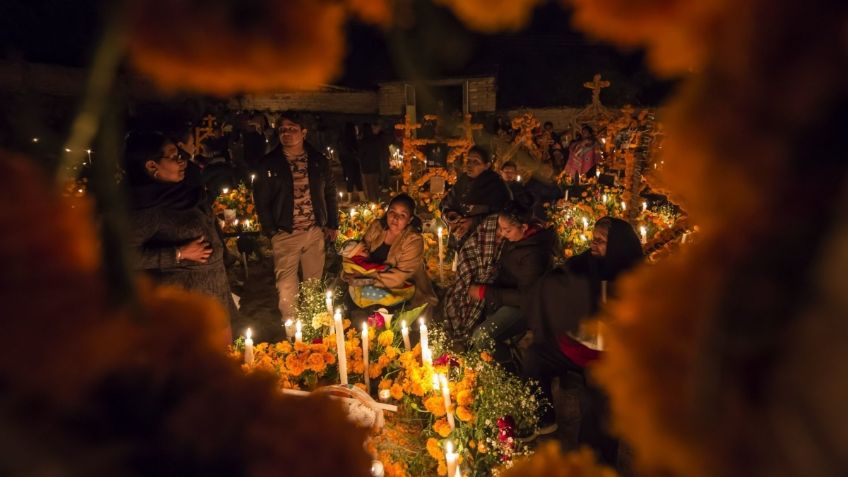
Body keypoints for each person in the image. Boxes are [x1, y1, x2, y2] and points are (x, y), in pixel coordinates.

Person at [520, 217, 644, 457]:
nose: (593, 244)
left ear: (618, 245)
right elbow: (555, 282)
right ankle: (544, 420)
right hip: (572, 346)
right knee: (535, 356)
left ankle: (593, 462)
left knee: (599, 410)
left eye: (601, 240)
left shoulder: (634, 281)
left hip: (608, 360)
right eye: (593, 238)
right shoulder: (583, 264)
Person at [124, 131, 236, 336]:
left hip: (214, 289)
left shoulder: (185, 191)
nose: (182, 161)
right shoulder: (146, 207)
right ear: (151, 166)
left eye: (181, 154)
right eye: (174, 157)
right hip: (186, 301)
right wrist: (178, 253)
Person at [254, 111, 339, 323]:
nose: (287, 134)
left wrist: (331, 223)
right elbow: (261, 200)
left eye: (292, 129)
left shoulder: (318, 161)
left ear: (304, 132)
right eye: (282, 130)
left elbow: (329, 193)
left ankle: (312, 326)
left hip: (313, 232)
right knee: (286, 286)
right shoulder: (269, 163)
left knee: (312, 284)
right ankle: (292, 329)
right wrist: (272, 232)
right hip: (285, 233)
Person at [468, 198, 555, 367]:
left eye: (506, 230)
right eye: (500, 228)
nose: (501, 234)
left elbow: (525, 297)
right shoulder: (518, 240)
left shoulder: (534, 254)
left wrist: (485, 292)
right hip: (507, 293)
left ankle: (511, 364)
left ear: (523, 227)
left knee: (482, 336)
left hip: (525, 307)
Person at [342, 193, 437, 311]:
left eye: (402, 215)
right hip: (369, 280)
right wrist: (351, 270)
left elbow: (400, 276)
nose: (395, 218)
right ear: (387, 212)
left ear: (409, 220)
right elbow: (360, 251)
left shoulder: (413, 240)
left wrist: (364, 278)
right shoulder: (377, 227)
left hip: (400, 287)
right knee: (347, 301)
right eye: (393, 212)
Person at [440, 146, 512, 220]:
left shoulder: (496, 187)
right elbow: (447, 203)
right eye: (468, 160)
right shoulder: (462, 181)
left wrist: (474, 219)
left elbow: (502, 215)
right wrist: (450, 213)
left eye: (476, 162)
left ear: (487, 166)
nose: (469, 165)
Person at [359, 123, 387, 201]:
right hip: (375, 166)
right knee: (375, 186)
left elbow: (360, 154)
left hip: (366, 168)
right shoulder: (376, 140)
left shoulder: (363, 142)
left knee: (369, 187)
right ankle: (377, 202)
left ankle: (373, 204)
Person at [339, 122, 363, 199]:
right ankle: (358, 197)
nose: (357, 130)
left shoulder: (344, 139)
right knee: (353, 178)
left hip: (349, 161)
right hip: (351, 161)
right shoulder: (351, 140)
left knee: (352, 178)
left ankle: (355, 197)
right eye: (355, 129)